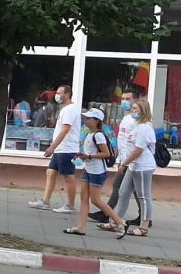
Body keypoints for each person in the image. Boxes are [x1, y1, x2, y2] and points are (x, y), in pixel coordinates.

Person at [63, 108, 126, 235]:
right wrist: (83, 155)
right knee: (84, 197)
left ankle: (119, 222)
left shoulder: (98, 135)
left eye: (89, 118)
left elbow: (106, 153)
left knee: (95, 200)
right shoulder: (90, 134)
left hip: (97, 171)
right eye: (85, 118)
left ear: (97, 120)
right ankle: (80, 227)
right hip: (89, 169)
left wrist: (89, 156)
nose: (86, 120)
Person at [89, 89, 146, 227]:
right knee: (135, 189)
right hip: (124, 159)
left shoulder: (137, 121)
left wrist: (125, 162)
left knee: (118, 186)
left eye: (128, 99)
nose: (124, 102)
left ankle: (107, 213)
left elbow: (135, 144)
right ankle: (143, 217)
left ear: (135, 101)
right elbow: (122, 140)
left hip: (130, 160)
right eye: (123, 99)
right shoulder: (126, 118)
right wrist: (117, 155)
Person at [107, 97, 157, 238]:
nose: (131, 110)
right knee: (123, 192)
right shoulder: (136, 125)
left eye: (135, 108)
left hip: (142, 166)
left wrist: (124, 163)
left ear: (143, 111)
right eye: (132, 108)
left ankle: (143, 227)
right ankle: (116, 221)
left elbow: (138, 150)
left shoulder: (144, 127)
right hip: (133, 165)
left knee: (143, 196)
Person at [28, 84, 80, 213]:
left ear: (67, 94)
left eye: (59, 93)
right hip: (60, 148)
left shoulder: (69, 110)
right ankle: (45, 201)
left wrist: (52, 147)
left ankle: (70, 205)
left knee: (68, 176)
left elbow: (65, 130)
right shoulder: (65, 109)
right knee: (50, 172)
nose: (56, 95)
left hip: (66, 149)